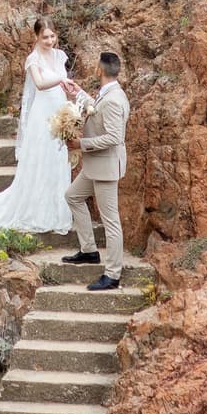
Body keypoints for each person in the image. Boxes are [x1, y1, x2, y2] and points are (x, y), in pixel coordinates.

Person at [0, 18, 74, 239]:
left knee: (57, 158)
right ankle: (36, 210)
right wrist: (60, 80)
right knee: (41, 157)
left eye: (52, 36)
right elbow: (39, 84)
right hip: (43, 114)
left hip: (58, 109)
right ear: (37, 37)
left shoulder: (59, 56)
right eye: (45, 37)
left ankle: (55, 210)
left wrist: (69, 105)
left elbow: (62, 84)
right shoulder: (33, 59)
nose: (50, 41)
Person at [62, 51, 131, 291]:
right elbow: (95, 108)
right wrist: (78, 93)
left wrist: (80, 145)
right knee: (72, 196)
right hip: (95, 166)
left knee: (111, 221)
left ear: (99, 70)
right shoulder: (109, 93)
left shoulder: (113, 100)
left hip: (105, 168)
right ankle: (89, 250)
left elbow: (114, 137)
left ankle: (113, 275)